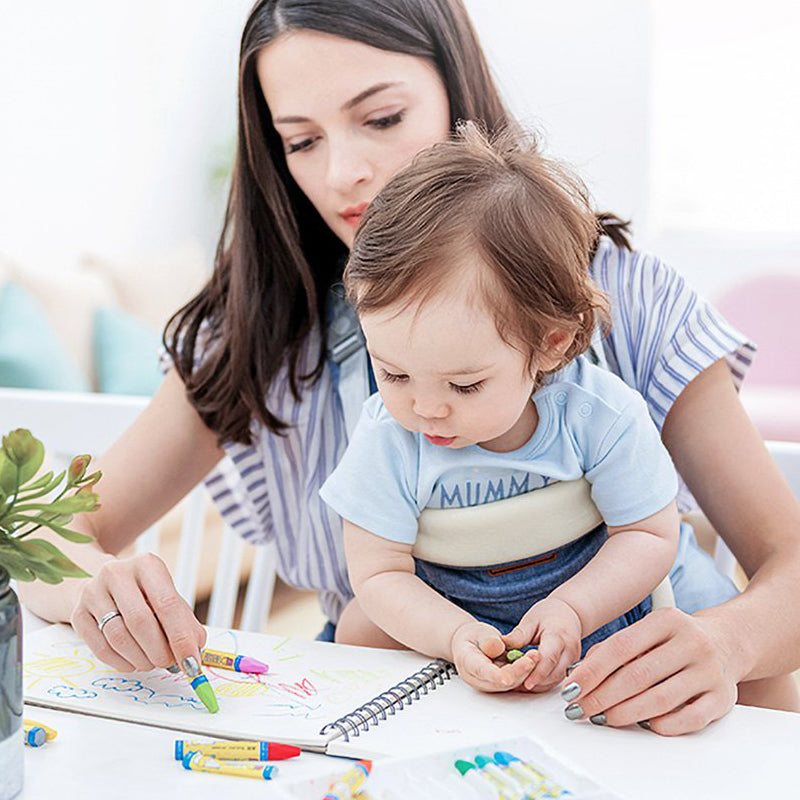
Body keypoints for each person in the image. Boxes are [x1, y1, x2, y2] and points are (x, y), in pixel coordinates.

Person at [18, 0, 800, 736]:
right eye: (301, 140)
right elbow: (35, 539)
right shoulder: (258, 333)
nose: (342, 174)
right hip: (402, 732)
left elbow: (786, 561)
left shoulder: (619, 296)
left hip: (634, 724)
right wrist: (98, 591)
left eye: (382, 118)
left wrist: (726, 643)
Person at [319, 123, 683, 694]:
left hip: (588, 610)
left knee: (674, 640)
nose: (425, 408)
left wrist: (574, 609)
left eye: (464, 386)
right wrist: (455, 635)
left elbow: (649, 535)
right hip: (444, 617)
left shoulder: (598, 416)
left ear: (551, 343)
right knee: (357, 627)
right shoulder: (387, 437)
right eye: (393, 373)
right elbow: (378, 571)